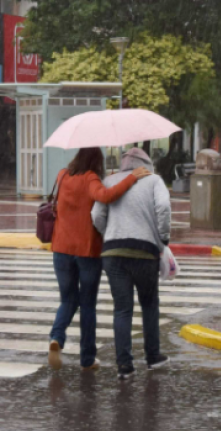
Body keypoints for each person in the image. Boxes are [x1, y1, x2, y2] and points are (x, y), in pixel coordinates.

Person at [48, 147, 150, 371]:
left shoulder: (63, 175)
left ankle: (56, 337)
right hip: (87, 251)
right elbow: (105, 196)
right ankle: (87, 359)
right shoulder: (90, 178)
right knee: (87, 305)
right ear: (96, 160)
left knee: (67, 299)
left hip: (61, 250)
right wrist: (130, 178)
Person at [92, 148, 172, 380]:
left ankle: (124, 365)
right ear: (146, 163)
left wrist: (111, 234)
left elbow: (96, 214)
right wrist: (163, 238)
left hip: (114, 252)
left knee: (122, 308)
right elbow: (164, 208)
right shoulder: (154, 180)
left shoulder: (109, 180)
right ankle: (152, 356)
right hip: (145, 252)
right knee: (149, 304)